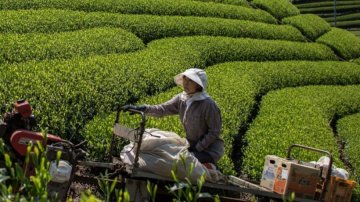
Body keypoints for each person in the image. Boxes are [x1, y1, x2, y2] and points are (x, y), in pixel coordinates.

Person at [123, 68, 224, 164]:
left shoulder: (208, 104)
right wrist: (142, 108)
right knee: (158, 149)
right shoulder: (182, 99)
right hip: (191, 146)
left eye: (191, 81)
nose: (186, 83)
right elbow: (162, 109)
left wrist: (198, 147)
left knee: (175, 161)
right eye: (185, 79)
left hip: (208, 151)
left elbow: (214, 132)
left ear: (198, 85)